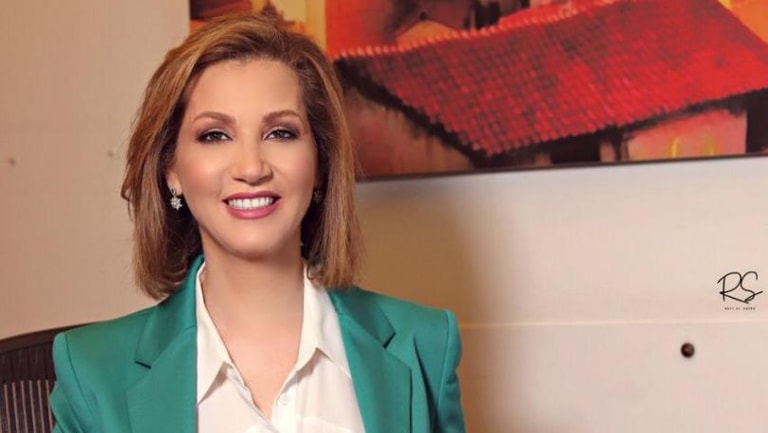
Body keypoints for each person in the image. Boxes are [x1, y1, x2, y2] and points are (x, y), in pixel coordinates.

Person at [49, 13, 465, 433]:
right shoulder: (91, 370)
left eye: (280, 133)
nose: (251, 168)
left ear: (320, 163)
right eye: (215, 135)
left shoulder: (424, 343)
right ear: (171, 169)